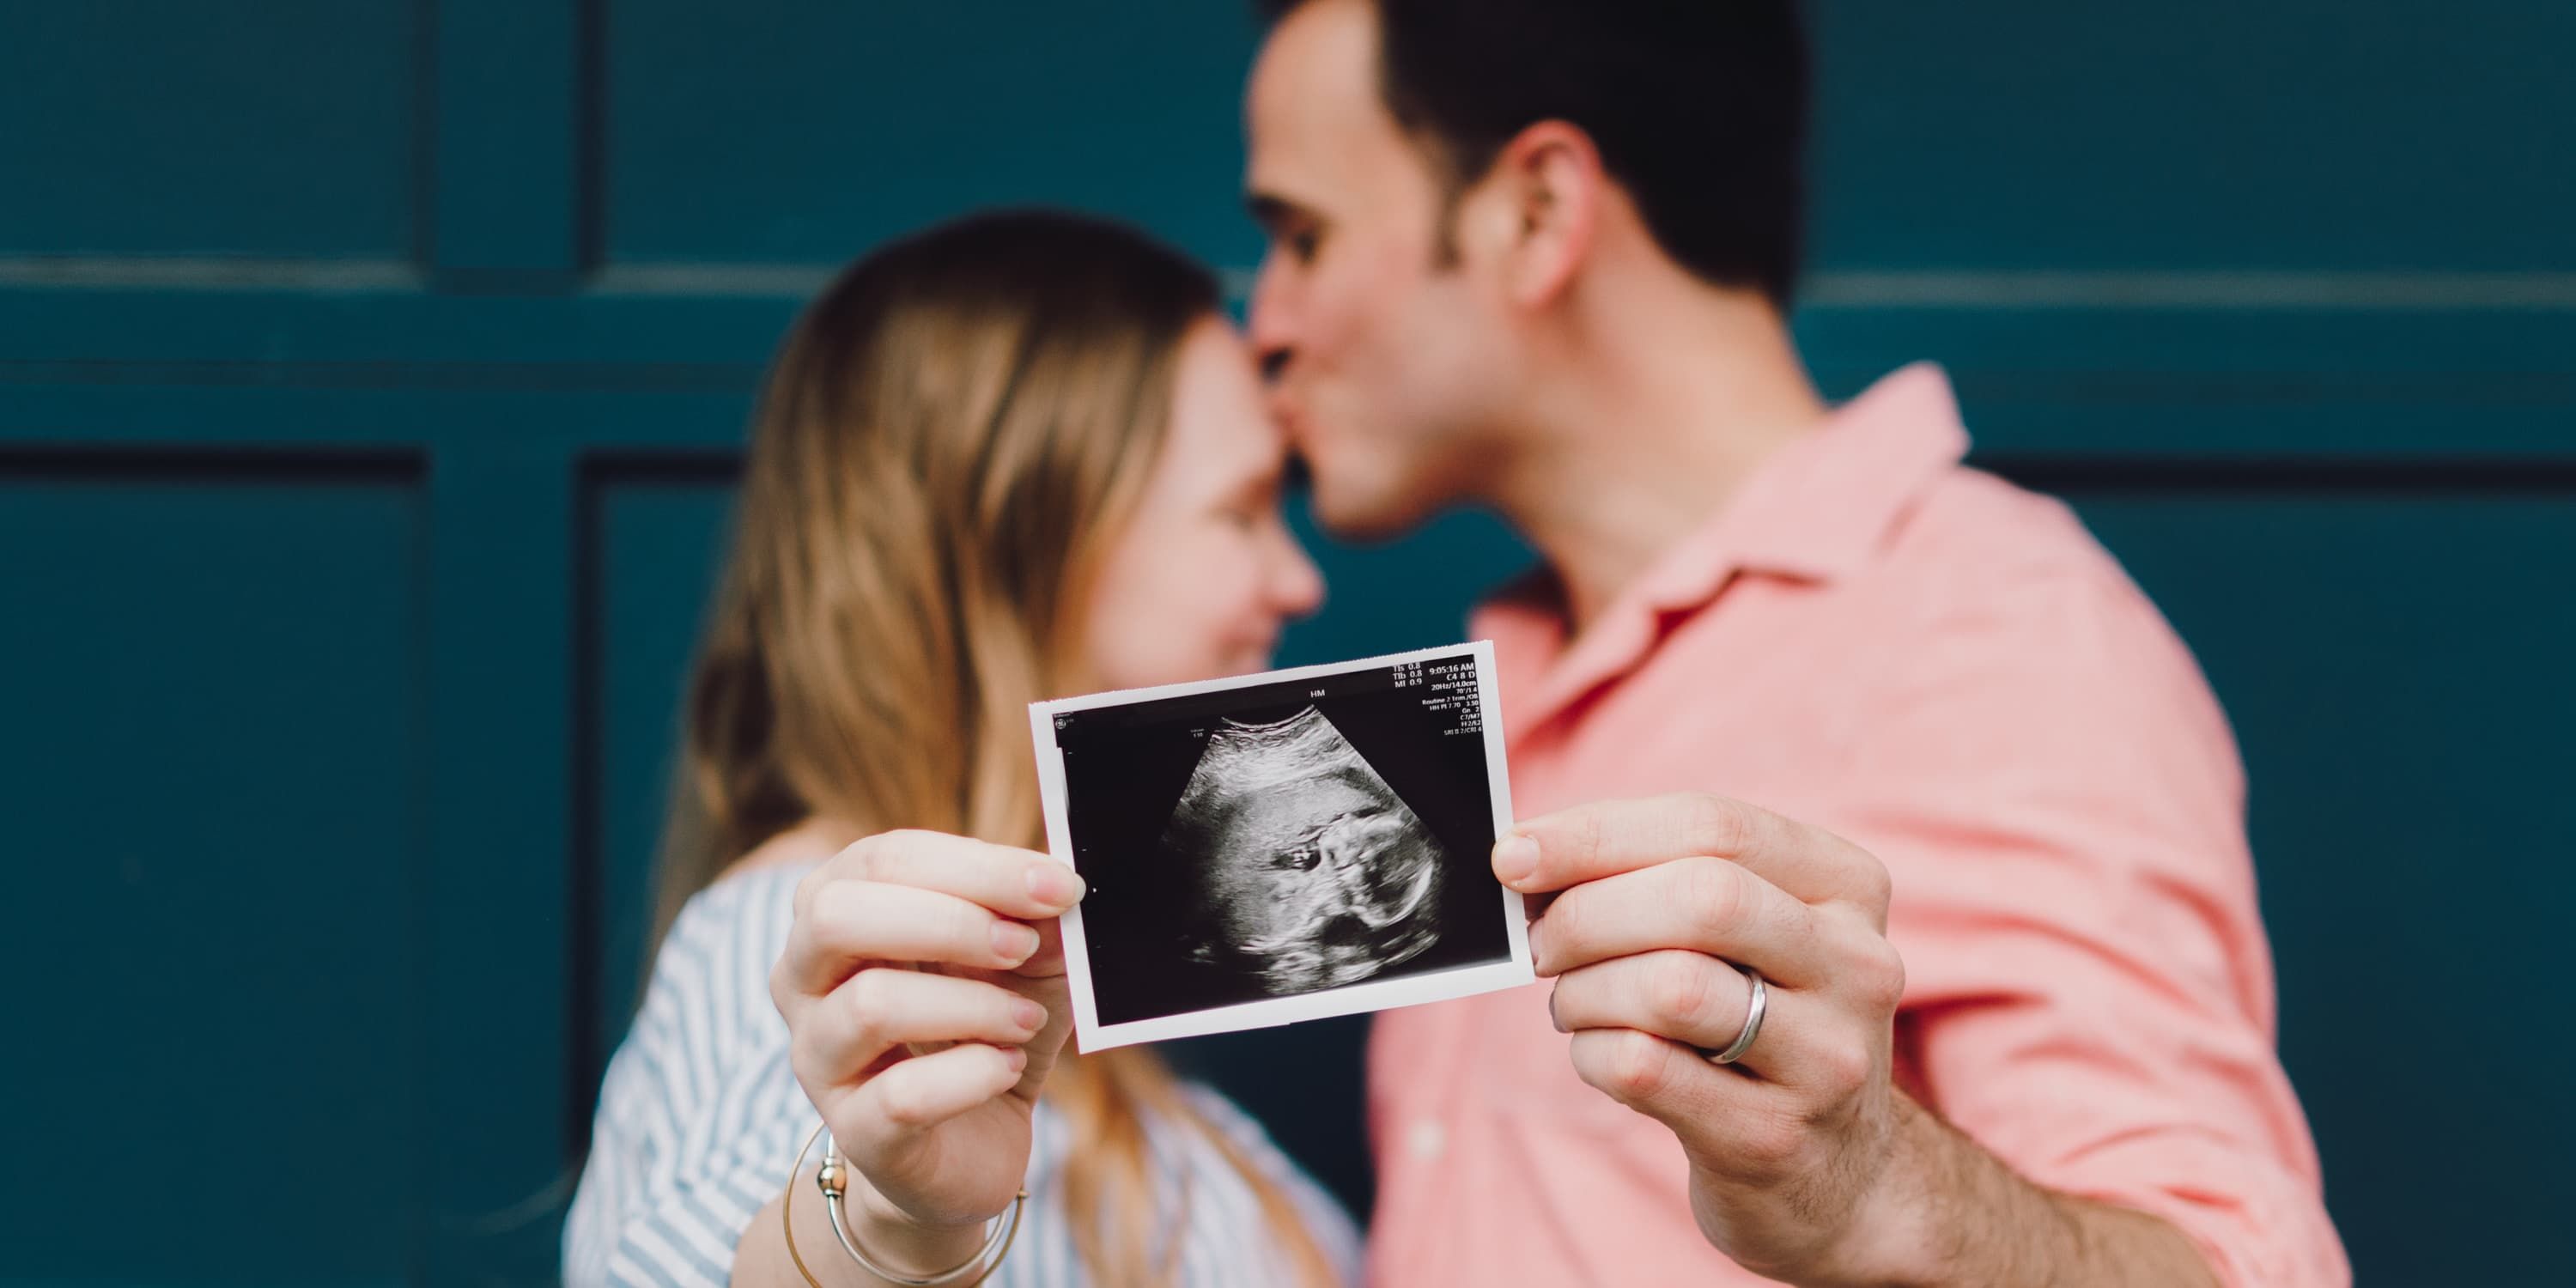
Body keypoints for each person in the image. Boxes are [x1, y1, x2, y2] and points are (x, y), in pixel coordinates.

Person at [1233, 1, 2351, 1285]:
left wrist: (1872, 1187)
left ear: (1537, 212)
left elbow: (2230, 1263)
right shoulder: (1509, 670)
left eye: (1304, 236)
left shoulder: (1985, 634)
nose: (1267, 319)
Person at [562, 210, 1356, 1288]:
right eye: (1241, 510)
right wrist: (896, 1226)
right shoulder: (818, 955)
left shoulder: (1075, 1021)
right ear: (1028, 540)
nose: (1298, 581)